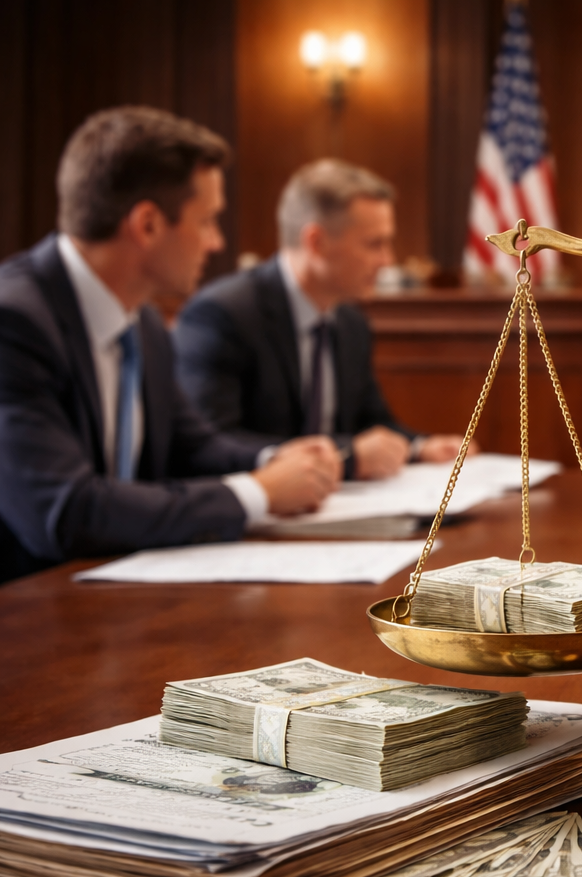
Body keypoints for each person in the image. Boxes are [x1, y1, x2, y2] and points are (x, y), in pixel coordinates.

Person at [0, 107, 340, 584]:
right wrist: (257, 493)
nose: (217, 242)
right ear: (148, 225)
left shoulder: (143, 322)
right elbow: (64, 513)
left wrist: (278, 462)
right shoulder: (13, 323)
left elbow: (191, 447)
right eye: (207, 221)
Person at [174, 159, 469, 481]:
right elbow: (212, 446)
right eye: (375, 244)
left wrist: (421, 447)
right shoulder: (224, 315)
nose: (388, 261)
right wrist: (346, 457)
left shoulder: (351, 323)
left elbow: (372, 423)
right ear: (316, 242)